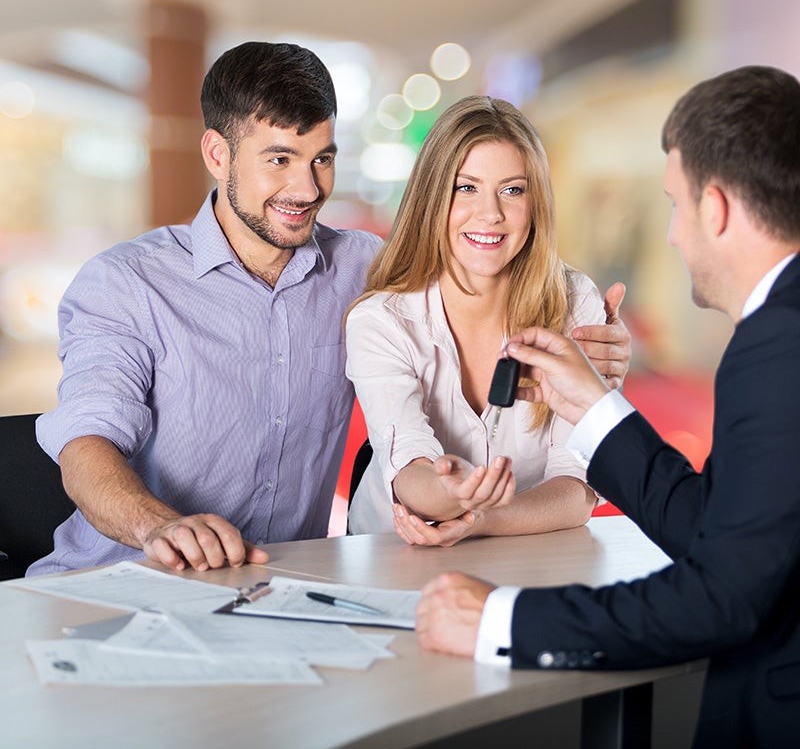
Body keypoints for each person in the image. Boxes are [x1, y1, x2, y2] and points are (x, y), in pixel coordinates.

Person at [415, 66, 800, 748]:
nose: (676, 236)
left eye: (675, 206)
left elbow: (724, 597)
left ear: (715, 209)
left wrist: (501, 622)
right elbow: (721, 529)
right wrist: (595, 405)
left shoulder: (778, 344)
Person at [28, 41, 384, 575]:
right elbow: (86, 444)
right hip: (119, 584)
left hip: (277, 589)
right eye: (279, 159)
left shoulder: (363, 269)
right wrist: (160, 526)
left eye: (322, 160)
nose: (307, 188)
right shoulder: (126, 282)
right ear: (218, 155)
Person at [345, 96, 631, 544]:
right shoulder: (381, 320)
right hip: (396, 555)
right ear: (431, 197)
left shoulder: (575, 302)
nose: (491, 213)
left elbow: (577, 488)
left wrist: (481, 518)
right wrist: (450, 491)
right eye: (466, 187)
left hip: (527, 557)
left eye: (513, 190)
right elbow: (409, 472)